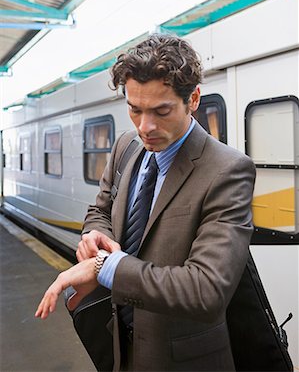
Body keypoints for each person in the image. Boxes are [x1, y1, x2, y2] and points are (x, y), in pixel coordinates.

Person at [36, 34, 256, 372]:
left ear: (193, 99)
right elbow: (101, 210)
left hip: (184, 361)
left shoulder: (227, 170)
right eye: (134, 109)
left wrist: (103, 267)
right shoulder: (126, 146)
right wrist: (95, 235)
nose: (145, 127)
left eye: (161, 111)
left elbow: (206, 291)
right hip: (120, 350)